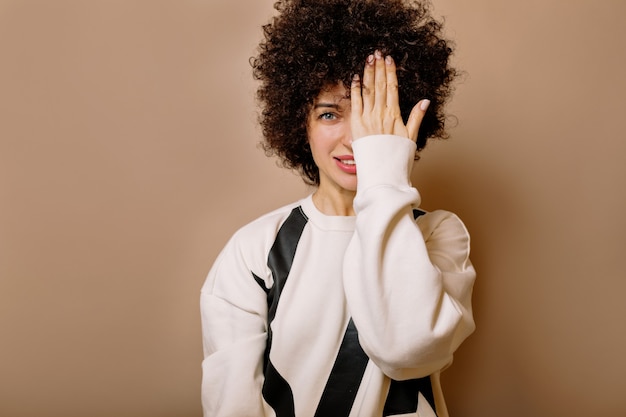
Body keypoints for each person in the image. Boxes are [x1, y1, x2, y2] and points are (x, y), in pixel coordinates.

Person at [200, 0, 476, 416]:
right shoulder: (254, 250)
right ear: (300, 124)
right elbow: (232, 405)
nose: (355, 140)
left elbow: (407, 351)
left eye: (374, 116)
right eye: (330, 114)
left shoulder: (438, 234)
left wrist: (384, 165)